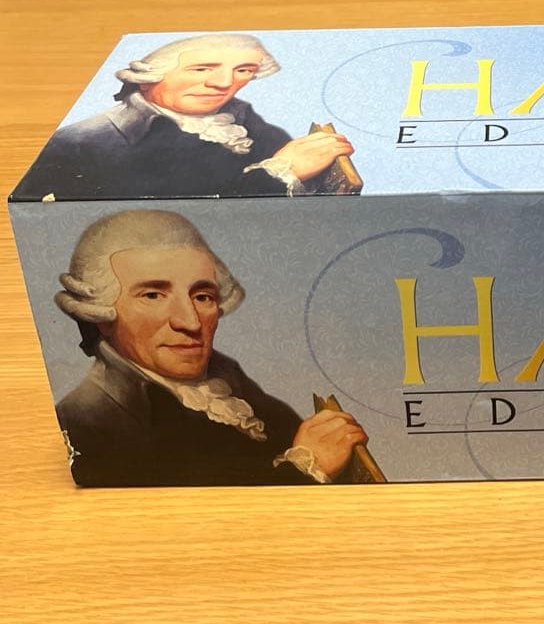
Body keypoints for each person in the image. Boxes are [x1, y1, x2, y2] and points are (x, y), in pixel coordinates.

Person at [54, 209, 368, 486]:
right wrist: (307, 467)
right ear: (100, 313)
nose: (190, 321)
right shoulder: (88, 423)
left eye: (202, 297)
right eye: (153, 295)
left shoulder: (231, 386)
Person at [13, 33, 354, 200]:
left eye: (243, 70)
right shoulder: (79, 144)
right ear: (148, 76)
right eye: (202, 68)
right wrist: (280, 172)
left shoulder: (249, 125)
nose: (224, 83)